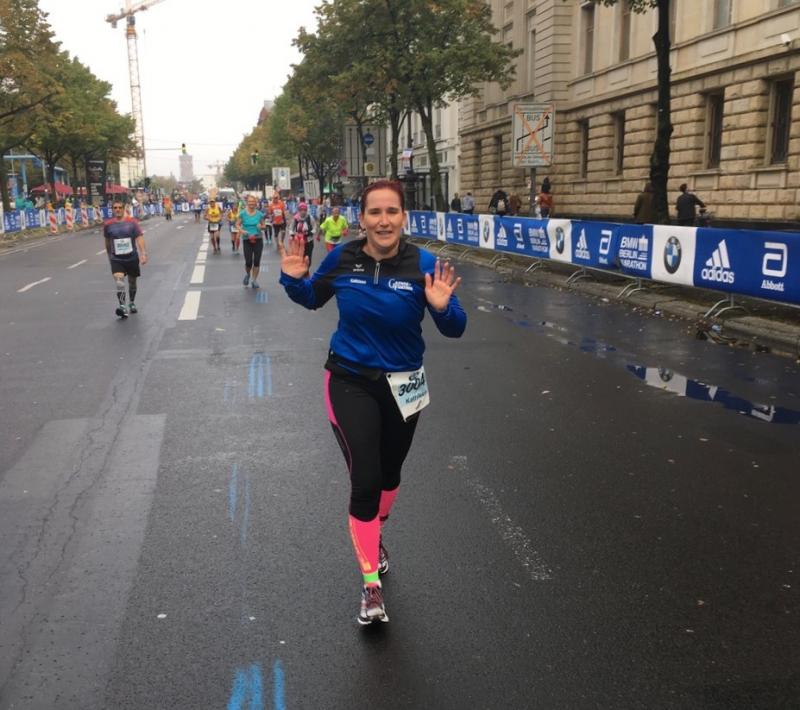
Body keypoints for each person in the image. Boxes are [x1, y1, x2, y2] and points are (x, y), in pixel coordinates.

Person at [279, 179, 466, 626]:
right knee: (365, 478)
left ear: (404, 217)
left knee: (389, 474)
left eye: (392, 212)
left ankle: (373, 532)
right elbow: (312, 298)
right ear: (361, 219)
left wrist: (442, 307)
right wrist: (293, 279)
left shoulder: (424, 264)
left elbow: (456, 327)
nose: (383, 220)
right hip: (350, 380)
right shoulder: (343, 258)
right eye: (375, 212)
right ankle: (370, 586)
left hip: (404, 386)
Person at [103, 199, 148, 318]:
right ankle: (122, 306)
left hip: (131, 257)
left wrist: (143, 253)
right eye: (115, 208)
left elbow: (139, 237)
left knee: (132, 283)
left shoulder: (132, 222)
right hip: (116, 259)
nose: (117, 210)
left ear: (124, 209)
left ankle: (131, 302)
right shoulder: (108, 225)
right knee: (119, 281)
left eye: (120, 207)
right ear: (112, 210)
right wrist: (109, 255)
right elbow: (107, 241)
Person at [236, 195, 266, 288]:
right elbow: (237, 224)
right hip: (247, 239)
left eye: (253, 202)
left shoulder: (260, 214)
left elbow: (264, 226)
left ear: (256, 203)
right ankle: (248, 274)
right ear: (247, 202)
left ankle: (254, 280)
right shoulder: (242, 213)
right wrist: (242, 231)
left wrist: (261, 227)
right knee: (248, 262)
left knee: (256, 261)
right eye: (250, 202)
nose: (251, 203)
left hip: (258, 239)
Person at [290, 201, 316, 277]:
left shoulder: (310, 217)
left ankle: (306, 271)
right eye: (301, 210)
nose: (303, 212)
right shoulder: (295, 218)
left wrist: (310, 233)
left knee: (308, 258)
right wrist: (292, 234)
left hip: (308, 241)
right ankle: (303, 273)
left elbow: (315, 227)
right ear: (299, 210)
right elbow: (291, 228)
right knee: (300, 258)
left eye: (304, 210)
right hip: (299, 242)